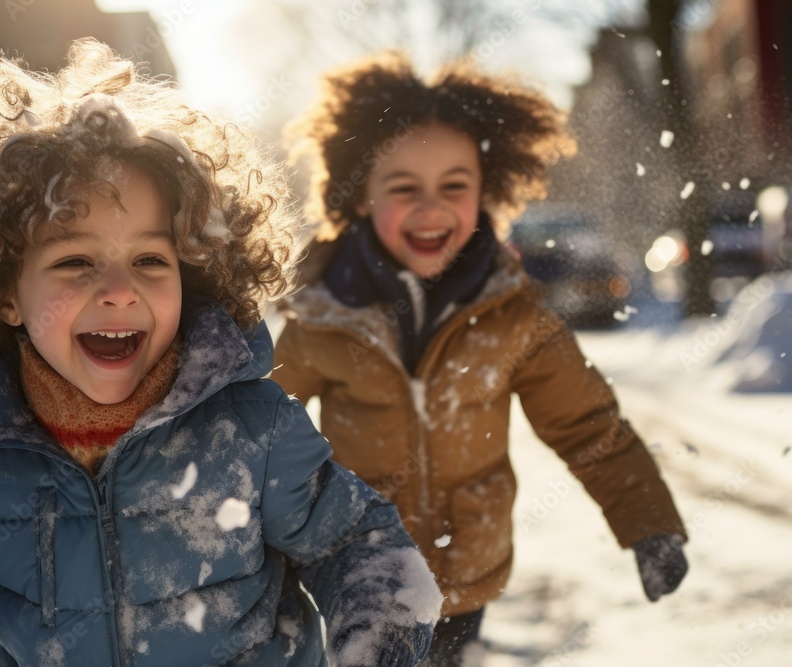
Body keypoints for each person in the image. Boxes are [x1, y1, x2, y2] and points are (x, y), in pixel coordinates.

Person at [0, 40, 444, 667]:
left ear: (192, 274)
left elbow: (353, 540)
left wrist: (378, 636)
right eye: (75, 261)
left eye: (150, 260)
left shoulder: (251, 430)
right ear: (5, 293)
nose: (120, 292)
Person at [271, 50, 689, 665]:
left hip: (468, 568)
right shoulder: (326, 315)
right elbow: (262, 426)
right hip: (360, 565)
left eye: (454, 186)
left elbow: (586, 424)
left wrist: (647, 521)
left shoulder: (513, 315)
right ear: (359, 196)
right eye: (403, 188)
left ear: (486, 194)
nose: (430, 207)